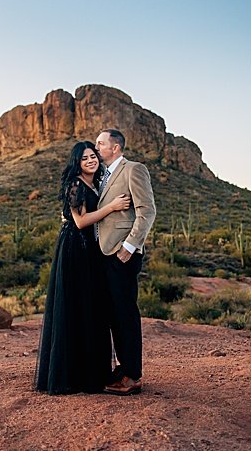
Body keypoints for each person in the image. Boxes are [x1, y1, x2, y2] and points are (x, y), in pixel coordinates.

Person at [33, 140, 123, 394]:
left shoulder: (93, 184)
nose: (91, 161)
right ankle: (72, 375)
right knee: (75, 306)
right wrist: (111, 208)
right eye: (85, 159)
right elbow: (81, 221)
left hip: (88, 249)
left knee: (90, 307)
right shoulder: (75, 184)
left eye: (93, 156)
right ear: (77, 162)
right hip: (75, 248)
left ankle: (88, 371)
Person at [93, 125, 156, 396]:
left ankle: (133, 375)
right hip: (101, 254)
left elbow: (147, 210)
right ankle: (121, 368)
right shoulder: (100, 176)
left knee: (125, 315)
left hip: (122, 254)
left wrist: (130, 247)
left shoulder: (134, 169)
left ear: (115, 147)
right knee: (110, 315)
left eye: (100, 143)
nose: (96, 148)